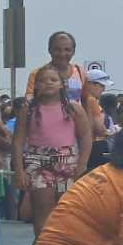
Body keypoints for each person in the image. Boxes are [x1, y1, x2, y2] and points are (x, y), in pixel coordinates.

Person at [13, 65, 92, 235]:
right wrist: (19, 171)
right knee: (42, 209)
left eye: (53, 80)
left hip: (67, 161)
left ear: (61, 84)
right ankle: (42, 244)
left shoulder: (73, 108)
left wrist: (82, 163)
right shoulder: (28, 109)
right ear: (36, 85)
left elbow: (86, 136)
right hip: (37, 160)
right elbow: (18, 141)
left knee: (66, 210)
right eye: (43, 80)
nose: (48, 83)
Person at [24, 31, 85, 103]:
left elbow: (88, 100)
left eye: (67, 50)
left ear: (73, 51)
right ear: (49, 50)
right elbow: (29, 98)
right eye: (57, 50)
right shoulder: (37, 74)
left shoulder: (81, 72)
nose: (62, 54)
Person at [83, 68, 115, 171]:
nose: (104, 89)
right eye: (101, 85)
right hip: (92, 146)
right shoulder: (91, 101)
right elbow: (99, 129)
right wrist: (112, 133)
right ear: (91, 84)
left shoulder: (79, 98)